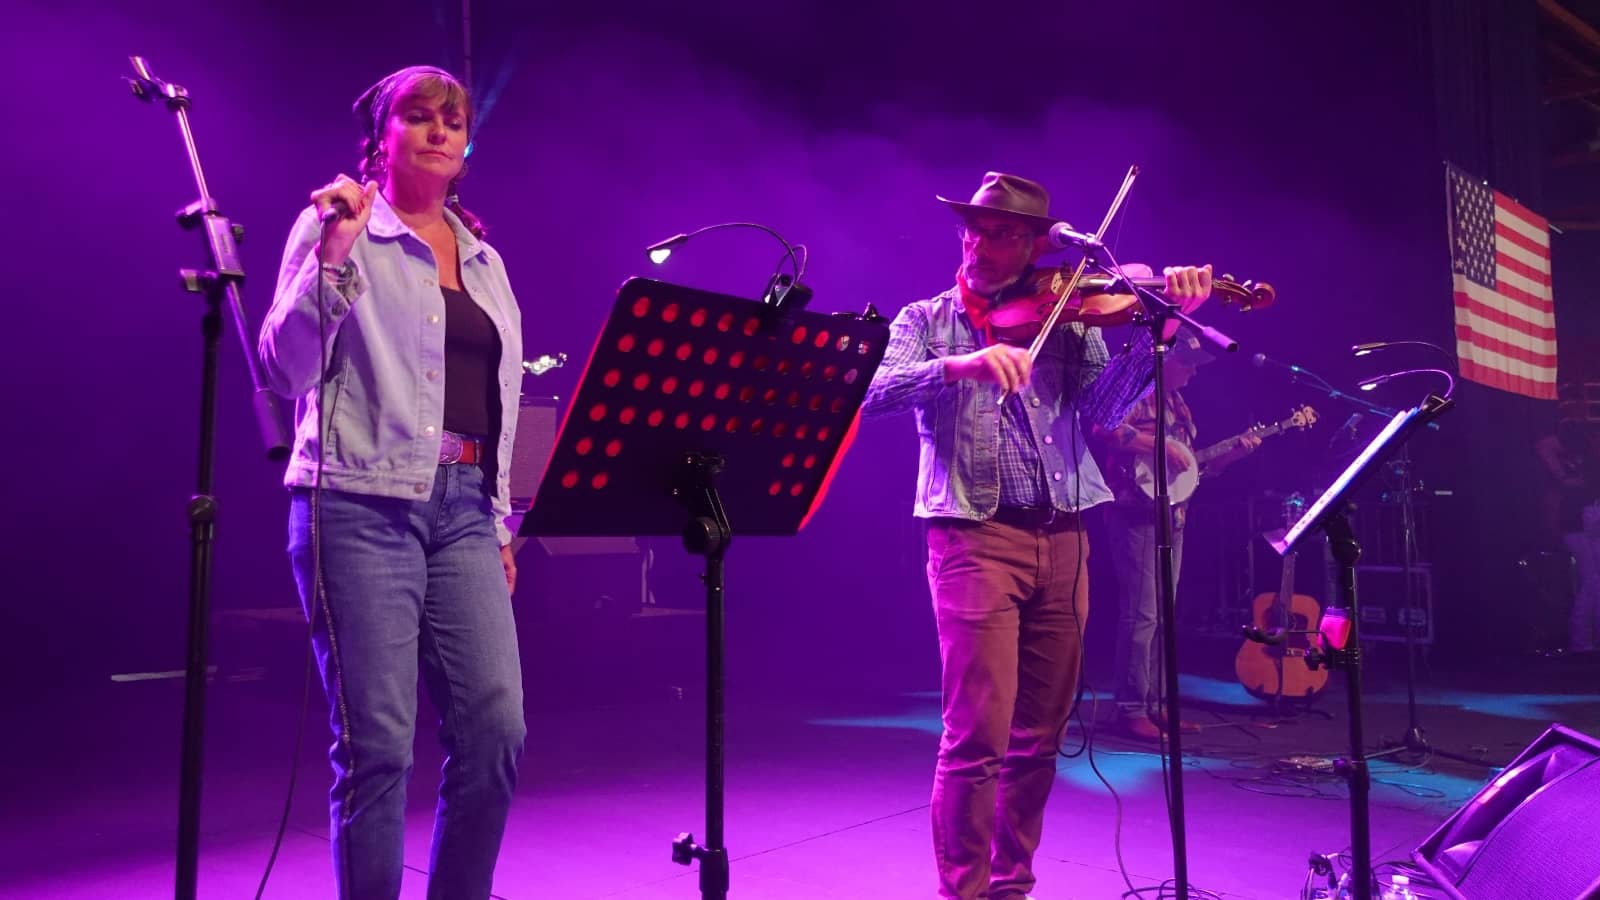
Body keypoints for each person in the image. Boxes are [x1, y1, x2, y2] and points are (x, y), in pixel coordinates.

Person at [860, 171, 1213, 900]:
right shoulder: (926, 318)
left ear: (1032, 244)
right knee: (977, 735)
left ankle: (1012, 884)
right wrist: (959, 366)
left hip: (1064, 538)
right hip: (973, 539)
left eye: (1001, 234)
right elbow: (869, 390)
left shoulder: (1067, 314)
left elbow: (1107, 408)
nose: (980, 244)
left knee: (1040, 738)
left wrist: (1167, 329)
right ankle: (965, 891)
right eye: (973, 229)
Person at [258, 65, 526, 900]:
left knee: (496, 731)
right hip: (357, 505)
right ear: (382, 136)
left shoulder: (484, 260)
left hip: (464, 512)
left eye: (454, 119)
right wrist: (332, 261)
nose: (441, 130)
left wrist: (501, 522)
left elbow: (499, 400)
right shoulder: (336, 224)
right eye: (420, 116)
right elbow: (283, 369)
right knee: (378, 748)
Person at [1093, 330, 1259, 740]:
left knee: (1162, 615)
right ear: (1164, 360)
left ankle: (1155, 704)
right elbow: (1102, 429)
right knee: (1143, 613)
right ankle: (1130, 709)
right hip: (1135, 514)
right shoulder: (1135, 393)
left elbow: (1192, 469)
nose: (1192, 373)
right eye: (1186, 363)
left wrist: (1231, 456)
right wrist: (1155, 444)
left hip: (1174, 516)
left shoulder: (1178, 404)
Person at [1536, 420, 1600, 654]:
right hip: (1578, 522)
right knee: (1591, 580)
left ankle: (1586, 642)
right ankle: (1582, 642)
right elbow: (1544, 445)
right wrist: (1562, 476)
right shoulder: (1580, 446)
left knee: (1594, 581)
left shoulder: (1588, 459)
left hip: (1585, 518)